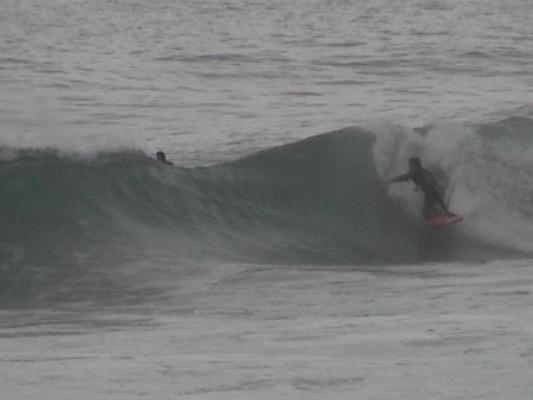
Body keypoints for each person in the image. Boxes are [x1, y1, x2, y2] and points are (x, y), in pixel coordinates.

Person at [389, 157, 454, 219]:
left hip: (433, 192)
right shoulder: (412, 174)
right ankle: (442, 213)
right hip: (431, 193)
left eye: (410, 165)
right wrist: (392, 180)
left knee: (425, 212)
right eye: (409, 165)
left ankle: (443, 213)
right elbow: (403, 177)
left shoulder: (423, 172)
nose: (409, 167)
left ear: (416, 166)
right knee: (430, 208)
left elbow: (431, 179)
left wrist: (420, 186)